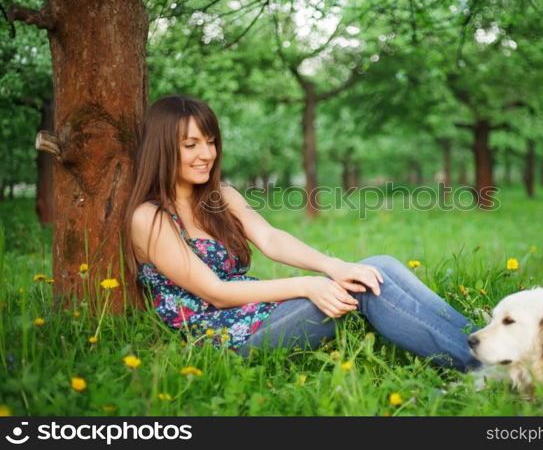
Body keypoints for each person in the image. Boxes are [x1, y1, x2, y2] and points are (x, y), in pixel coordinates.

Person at [123, 95, 480, 371]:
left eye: (211, 142)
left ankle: (490, 340)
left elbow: (270, 238)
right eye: (192, 145)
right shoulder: (150, 218)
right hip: (222, 338)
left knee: (375, 265)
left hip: (254, 311)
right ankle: (484, 365)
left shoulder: (219, 195)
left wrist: (333, 265)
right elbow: (215, 293)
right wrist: (309, 284)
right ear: (164, 148)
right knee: (364, 289)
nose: (207, 154)